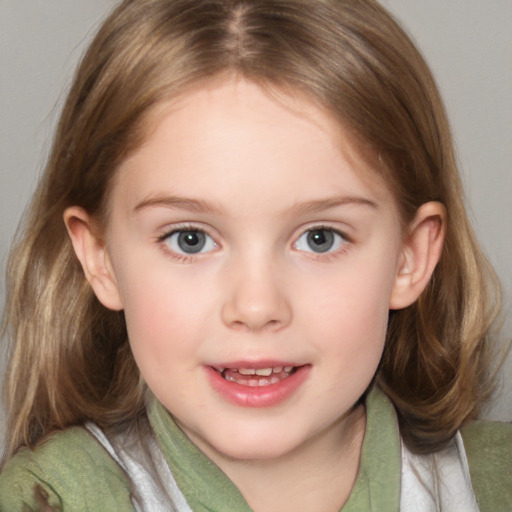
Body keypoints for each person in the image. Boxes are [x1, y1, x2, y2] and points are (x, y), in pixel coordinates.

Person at [0, 0, 510, 510]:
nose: (256, 306)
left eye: (320, 238)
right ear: (101, 258)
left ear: (409, 256)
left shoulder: (494, 485)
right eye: (190, 239)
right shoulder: (55, 498)